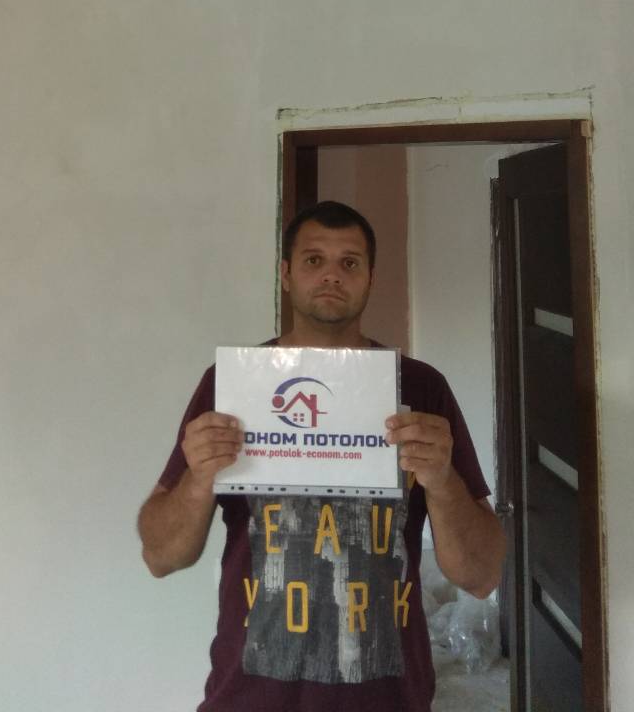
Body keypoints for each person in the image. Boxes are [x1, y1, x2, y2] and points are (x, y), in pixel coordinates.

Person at [137, 200, 506, 712]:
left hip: (387, 699)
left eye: (349, 262)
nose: (332, 275)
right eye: (314, 260)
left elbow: (482, 576)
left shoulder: (422, 387)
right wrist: (198, 478)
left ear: (370, 278)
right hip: (249, 696)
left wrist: (443, 481)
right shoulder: (232, 386)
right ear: (287, 274)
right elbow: (161, 556)